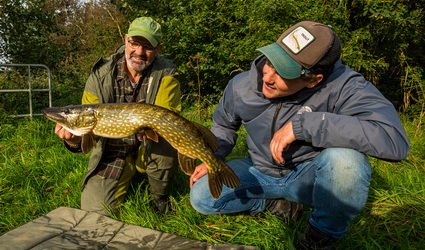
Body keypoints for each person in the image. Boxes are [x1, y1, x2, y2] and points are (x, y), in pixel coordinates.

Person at [189, 21, 410, 249]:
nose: (267, 77)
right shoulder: (241, 85)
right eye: (270, 61)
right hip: (259, 170)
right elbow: (224, 126)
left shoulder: (347, 87)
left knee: (347, 163)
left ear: (314, 79)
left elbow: (394, 140)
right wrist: (213, 157)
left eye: (283, 72)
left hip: (311, 177)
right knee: (202, 198)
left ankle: (319, 237)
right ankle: (274, 204)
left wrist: (306, 125)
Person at [54, 17, 182, 215]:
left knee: (167, 139)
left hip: (149, 147)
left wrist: (151, 132)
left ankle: (159, 197)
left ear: (158, 49)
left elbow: (170, 121)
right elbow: (87, 135)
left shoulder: (166, 75)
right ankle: (126, 177)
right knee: (96, 213)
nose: (139, 52)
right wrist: (73, 141)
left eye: (147, 47)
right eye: (135, 43)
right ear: (125, 40)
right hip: (112, 152)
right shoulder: (100, 75)